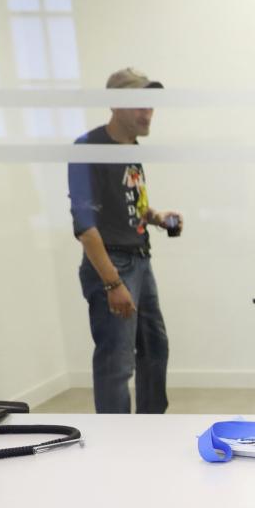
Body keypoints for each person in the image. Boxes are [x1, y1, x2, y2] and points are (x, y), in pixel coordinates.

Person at [68, 67, 182, 415]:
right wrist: (112, 282)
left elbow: (131, 205)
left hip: (140, 260)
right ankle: (116, 441)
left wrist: (158, 217)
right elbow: (85, 227)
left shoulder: (130, 147)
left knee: (155, 349)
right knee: (117, 364)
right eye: (139, 104)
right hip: (112, 266)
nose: (148, 112)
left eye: (150, 104)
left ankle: (149, 429)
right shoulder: (88, 148)